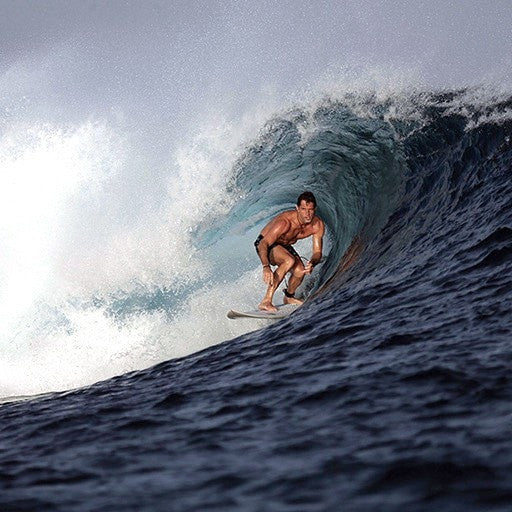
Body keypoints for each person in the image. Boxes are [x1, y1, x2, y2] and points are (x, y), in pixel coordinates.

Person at [254, 191, 325, 312]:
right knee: (289, 260)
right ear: (297, 208)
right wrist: (266, 266)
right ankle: (266, 301)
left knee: (300, 271)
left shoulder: (317, 225)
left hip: (284, 245)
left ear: (315, 209)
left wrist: (312, 263)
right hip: (265, 244)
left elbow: (317, 252)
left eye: (310, 209)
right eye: (303, 209)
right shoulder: (285, 223)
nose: (307, 214)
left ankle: (289, 297)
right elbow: (263, 244)